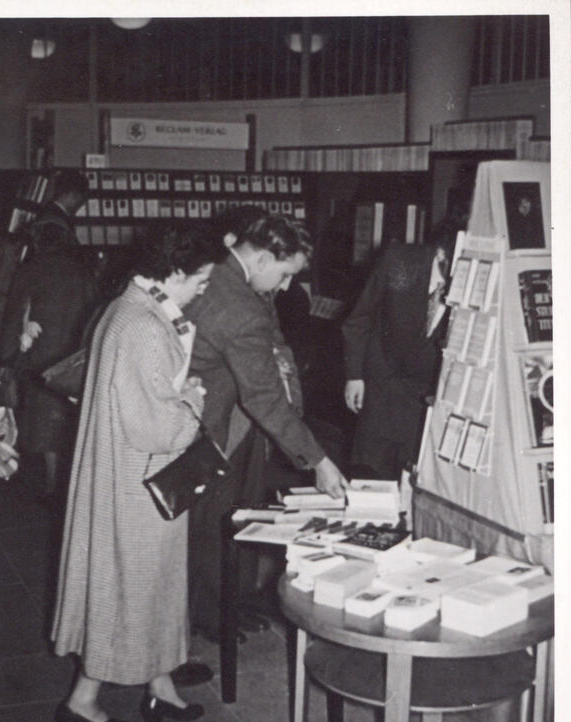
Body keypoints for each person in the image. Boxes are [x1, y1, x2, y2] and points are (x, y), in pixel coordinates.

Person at [51, 226, 217, 722]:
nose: (205, 288)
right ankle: (82, 700)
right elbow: (156, 425)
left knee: (148, 582)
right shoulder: (144, 323)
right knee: (130, 584)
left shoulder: (127, 308)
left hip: (126, 470)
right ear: (174, 272)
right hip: (139, 476)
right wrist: (193, 400)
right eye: (202, 279)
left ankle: (160, 685)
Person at [184, 214, 348, 642]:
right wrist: (318, 460)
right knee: (211, 523)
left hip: (226, 415)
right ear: (260, 258)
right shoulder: (238, 304)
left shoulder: (224, 272)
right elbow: (263, 396)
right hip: (211, 423)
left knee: (226, 517)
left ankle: (224, 606)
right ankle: (205, 616)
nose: (286, 286)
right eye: (285, 273)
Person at [0, 169, 97, 499]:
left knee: (41, 419)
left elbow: (14, 315)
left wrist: (6, 360)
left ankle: (47, 486)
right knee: (64, 419)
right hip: (72, 351)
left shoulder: (30, 269)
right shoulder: (81, 268)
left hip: (39, 350)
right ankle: (63, 487)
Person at [342, 221, 461, 480]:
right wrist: (354, 375)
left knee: (413, 481)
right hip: (381, 385)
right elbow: (358, 319)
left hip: (425, 397)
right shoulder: (399, 261)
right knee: (371, 475)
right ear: (441, 253)